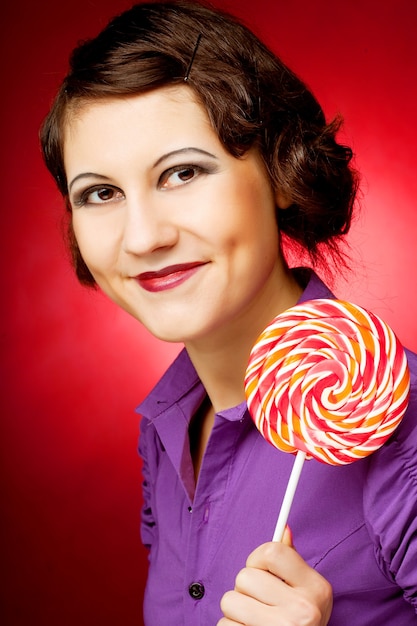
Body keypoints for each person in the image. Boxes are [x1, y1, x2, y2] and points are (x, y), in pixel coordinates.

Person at [40, 1, 417, 624]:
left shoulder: (401, 432)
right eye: (100, 193)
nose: (142, 237)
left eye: (183, 172)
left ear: (281, 172)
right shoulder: (165, 433)